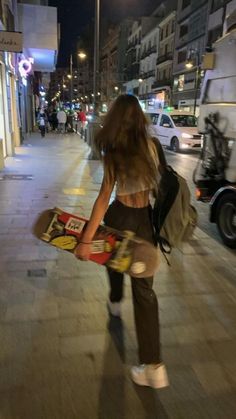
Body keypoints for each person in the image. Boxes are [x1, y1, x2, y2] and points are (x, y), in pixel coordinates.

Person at [75, 94, 169, 389]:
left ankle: (115, 301)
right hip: (144, 220)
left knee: (113, 263)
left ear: (116, 118)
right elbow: (161, 189)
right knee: (145, 293)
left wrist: (86, 240)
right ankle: (154, 367)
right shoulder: (153, 147)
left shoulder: (113, 150)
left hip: (119, 216)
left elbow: (104, 198)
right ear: (140, 118)